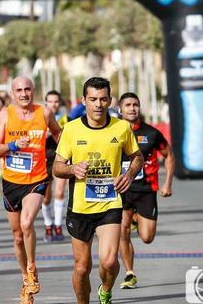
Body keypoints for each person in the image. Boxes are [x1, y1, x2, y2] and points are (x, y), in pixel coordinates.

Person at [53, 77, 144, 304]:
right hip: (80, 206)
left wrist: (129, 175)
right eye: (93, 99)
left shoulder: (121, 127)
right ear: (83, 100)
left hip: (110, 204)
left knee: (109, 261)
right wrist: (73, 168)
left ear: (110, 101)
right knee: (82, 268)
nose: (98, 105)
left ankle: (105, 290)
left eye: (103, 99)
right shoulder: (71, 130)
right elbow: (57, 167)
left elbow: (137, 157)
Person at [0, 77, 61, 304]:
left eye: (27, 89)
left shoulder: (45, 113)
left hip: (37, 178)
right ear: (12, 93)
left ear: (33, 91)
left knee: (27, 223)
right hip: (11, 181)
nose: (23, 93)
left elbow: (59, 135)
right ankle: (25, 279)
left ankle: (32, 267)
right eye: (19, 90)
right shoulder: (5, 115)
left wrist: (65, 158)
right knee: (18, 237)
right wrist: (12, 146)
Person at [117, 92, 175, 289]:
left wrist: (167, 183)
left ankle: (136, 218)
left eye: (135, 104)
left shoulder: (151, 133)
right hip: (121, 189)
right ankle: (129, 273)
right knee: (121, 231)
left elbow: (168, 155)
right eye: (128, 105)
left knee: (147, 238)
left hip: (146, 190)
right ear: (120, 109)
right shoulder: (112, 132)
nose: (132, 108)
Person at [43, 90, 68, 242]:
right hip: (43, 159)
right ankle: (48, 225)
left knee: (59, 193)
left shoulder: (67, 119)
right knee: (46, 197)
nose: (53, 104)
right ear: (46, 103)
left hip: (60, 158)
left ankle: (58, 226)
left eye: (56, 101)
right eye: (50, 101)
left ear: (60, 103)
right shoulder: (40, 118)